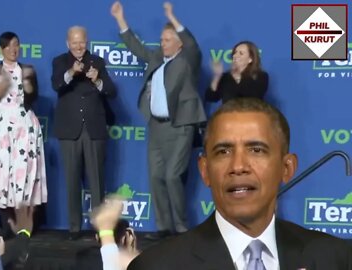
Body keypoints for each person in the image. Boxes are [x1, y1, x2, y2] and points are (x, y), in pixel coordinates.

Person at [127, 98, 352, 270]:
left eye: (256, 150)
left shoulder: (335, 258)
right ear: (205, 170)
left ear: (287, 168)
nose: (238, 166)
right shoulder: (157, 266)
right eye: (223, 151)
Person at [110, 1, 206, 240]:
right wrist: (120, 19)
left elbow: (193, 44)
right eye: (162, 40)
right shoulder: (156, 59)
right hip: (156, 128)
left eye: (167, 39)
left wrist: (172, 17)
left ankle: (182, 228)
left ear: (178, 43)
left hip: (180, 126)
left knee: (173, 176)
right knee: (156, 177)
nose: (162, 43)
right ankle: (164, 227)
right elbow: (136, 47)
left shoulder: (187, 61)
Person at [0, 32, 47, 225]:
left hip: (23, 127)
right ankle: (5, 222)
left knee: (23, 173)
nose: (14, 49)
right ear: (2, 49)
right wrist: (1, 87)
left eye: (17, 45)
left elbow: (32, 96)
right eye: (10, 46)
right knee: (0, 172)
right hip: (0, 127)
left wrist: (27, 85)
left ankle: (22, 222)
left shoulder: (28, 69)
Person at [51, 26, 117, 240]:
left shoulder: (97, 62)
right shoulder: (60, 62)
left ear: (87, 42)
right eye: (74, 42)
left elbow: (111, 91)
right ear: (67, 43)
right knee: (71, 180)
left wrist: (97, 80)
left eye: (82, 42)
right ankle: (74, 228)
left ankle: (101, 229)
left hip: (94, 129)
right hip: (69, 130)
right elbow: (56, 84)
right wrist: (71, 73)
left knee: (97, 181)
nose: (78, 46)